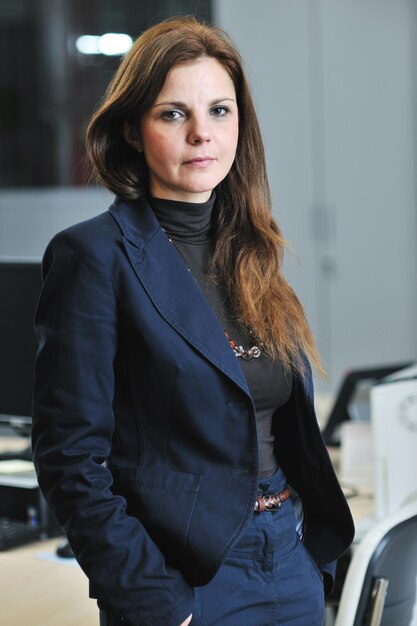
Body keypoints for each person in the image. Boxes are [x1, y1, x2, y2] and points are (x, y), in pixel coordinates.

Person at [32, 16, 354, 626]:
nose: (202, 134)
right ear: (132, 129)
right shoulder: (94, 256)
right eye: (173, 114)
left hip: (289, 558)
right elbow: (68, 456)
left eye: (221, 111)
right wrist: (155, 600)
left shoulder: (252, 251)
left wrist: (313, 557)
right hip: (187, 579)